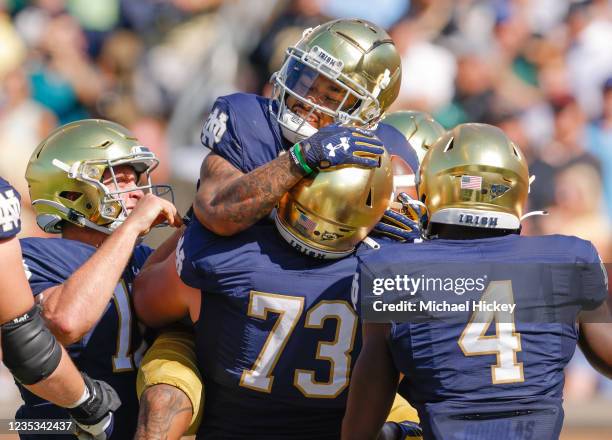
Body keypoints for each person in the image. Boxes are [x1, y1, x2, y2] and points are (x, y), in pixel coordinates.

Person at [342, 123, 612, 440]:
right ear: (518, 188)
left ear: (433, 188)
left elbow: (362, 422)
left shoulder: (391, 268)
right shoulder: (569, 256)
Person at [135, 145, 423, 438]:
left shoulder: (225, 256)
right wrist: (420, 253)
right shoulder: (394, 273)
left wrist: (198, 219)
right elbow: (432, 360)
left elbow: (145, 303)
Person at [16, 119, 183, 439]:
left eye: (137, 180)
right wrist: (130, 228)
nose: (138, 194)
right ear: (70, 190)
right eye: (120, 180)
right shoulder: (33, 254)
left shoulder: (142, 258)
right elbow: (63, 322)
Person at [193, 18, 403, 237]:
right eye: (304, 82)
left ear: (367, 113)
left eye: (331, 97)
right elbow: (216, 212)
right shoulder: (249, 117)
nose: (309, 99)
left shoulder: (382, 154)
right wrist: (301, 157)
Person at [0, 176, 120, 440]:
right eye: (118, 178)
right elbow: (26, 341)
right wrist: (87, 404)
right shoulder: (43, 255)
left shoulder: (142, 257)